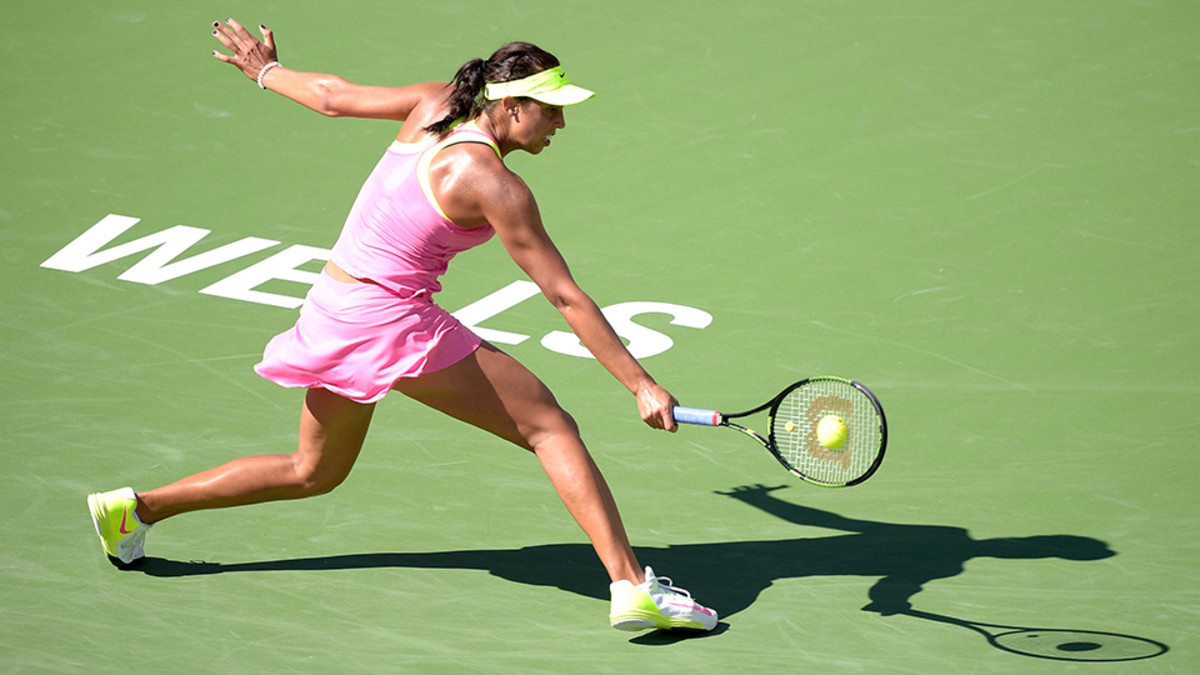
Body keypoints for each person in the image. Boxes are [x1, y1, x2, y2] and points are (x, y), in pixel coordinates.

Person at [86, 18, 717, 633]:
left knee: (314, 471)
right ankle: (633, 587)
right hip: (390, 322)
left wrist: (267, 71)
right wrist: (639, 383)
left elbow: (331, 98)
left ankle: (135, 510)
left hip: (333, 308)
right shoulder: (496, 184)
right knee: (550, 427)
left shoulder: (434, 102)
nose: (560, 123)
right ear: (513, 105)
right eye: (550, 110)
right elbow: (564, 296)